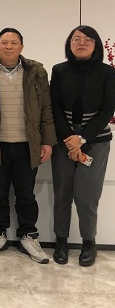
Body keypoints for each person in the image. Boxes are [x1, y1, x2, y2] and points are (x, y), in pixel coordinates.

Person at [0, 28, 57, 263]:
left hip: (27, 144)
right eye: (4, 42)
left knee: (26, 194)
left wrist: (47, 141)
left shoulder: (36, 71)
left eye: (14, 42)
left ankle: (28, 235)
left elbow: (46, 108)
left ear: (22, 47)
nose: (9, 46)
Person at [50, 25, 115, 267]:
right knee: (62, 194)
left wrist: (82, 138)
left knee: (87, 196)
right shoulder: (59, 70)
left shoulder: (108, 72)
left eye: (88, 39)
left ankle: (89, 242)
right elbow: (54, 107)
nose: (82, 43)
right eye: (76, 39)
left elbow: (107, 110)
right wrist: (70, 139)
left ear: (95, 45)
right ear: (69, 44)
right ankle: (61, 242)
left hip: (96, 142)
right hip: (64, 142)